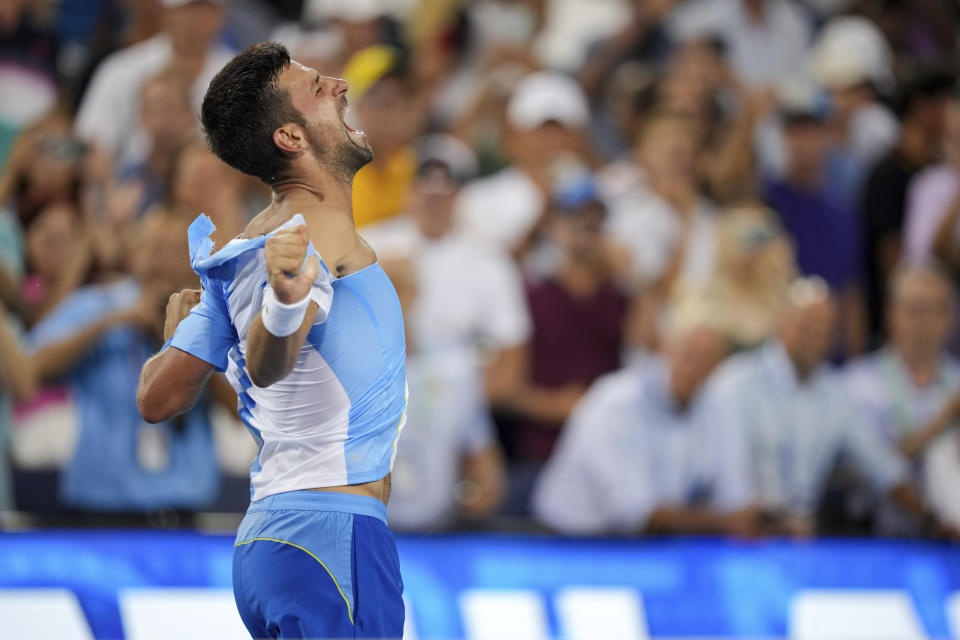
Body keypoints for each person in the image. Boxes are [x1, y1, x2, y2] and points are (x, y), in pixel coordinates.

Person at [137, 43, 407, 638]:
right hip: (334, 540)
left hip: (267, 542)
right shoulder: (317, 232)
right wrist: (286, 303)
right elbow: (268, 365)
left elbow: (157, 399)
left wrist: (170, 340)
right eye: (316, 87)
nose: (339, 84)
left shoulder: (242, 252)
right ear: (290, 137)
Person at [25, 211, 220, 514]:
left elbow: (241, 407)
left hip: (186, 510)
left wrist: (192, 344)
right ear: (133, 253)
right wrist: (111, 323)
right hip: (104, 507)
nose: (162, 262)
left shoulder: (211, 316)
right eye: (154, 248)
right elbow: (32, 369)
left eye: (174, 251)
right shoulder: (96, 304)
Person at [705, 277, 923, 535]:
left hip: (802, 539)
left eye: (825, 329)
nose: (816, 337)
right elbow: (731, 480)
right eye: (807, 325)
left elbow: (882, 466)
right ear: (781, 323)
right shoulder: (736, 381)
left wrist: (932, 517)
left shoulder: (835, 392)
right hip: (739, 538)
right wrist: (771, 522)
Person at [532, 325, 758, 536]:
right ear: (665, 348)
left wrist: (752, 518)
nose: (695, 367)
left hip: (655, 546)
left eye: (708, 360)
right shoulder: (614, 403)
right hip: (569, 541)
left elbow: (735, 496)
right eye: (689, 353)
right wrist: (724, 521)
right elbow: (635, 514)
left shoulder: (717, 408)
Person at [379, 255, 504, 531]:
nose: (385, 298)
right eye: (374, 288)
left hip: (438, 533)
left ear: (416, 293)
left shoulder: (455, 370)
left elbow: (481, 453)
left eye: (396, 286)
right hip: (363, 537)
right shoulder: (338, 374)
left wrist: (480, 494)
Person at [845, 263, 960, 535]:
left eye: (937, 311)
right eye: (916, 311)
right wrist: (942, 422)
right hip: (880, 539)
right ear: (892, 315)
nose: (926, 323)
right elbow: (863, 472)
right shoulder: (858, 385)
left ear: (950, 319)